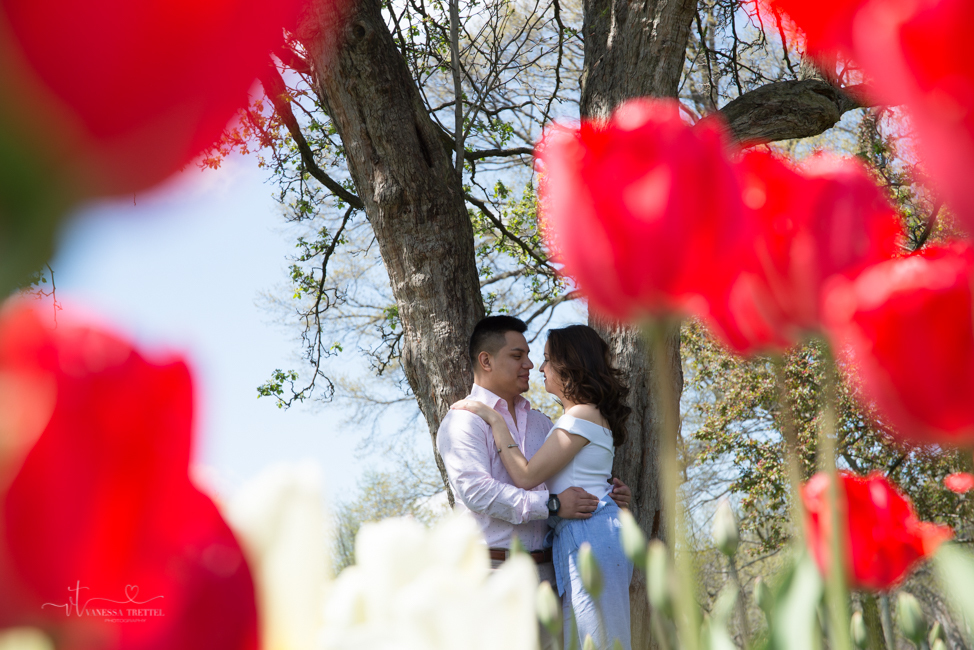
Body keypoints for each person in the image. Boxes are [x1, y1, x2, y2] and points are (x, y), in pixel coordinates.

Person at [436, 316, 632, 650]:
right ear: (486, 360)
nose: (530, 365)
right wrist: (554, 505)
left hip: (551, 572)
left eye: (533, 356)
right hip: (493, 572)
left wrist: (606, 494)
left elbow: (558, 477)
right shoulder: (463, 422)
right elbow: (477, 493)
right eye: (517, 356)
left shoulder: (544, 423)